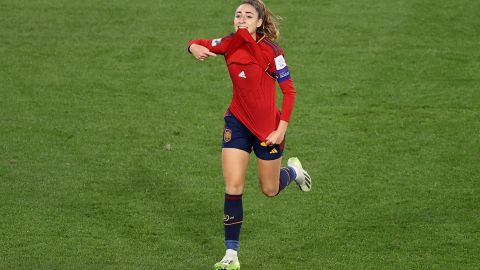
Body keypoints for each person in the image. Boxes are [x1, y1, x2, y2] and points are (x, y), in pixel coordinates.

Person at [187, 1, 311, 269]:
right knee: (233, 186)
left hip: (269, 130)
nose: (241, 19)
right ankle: (231, 254)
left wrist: (281, 130)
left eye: (248, 15)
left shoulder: (272, 52)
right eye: (238, 15)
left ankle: (294, 172)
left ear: (259, 22)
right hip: (237, 122)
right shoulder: (229, 43)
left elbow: (289, 91)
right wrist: (192, 47)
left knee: (269, 189)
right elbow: (199, 42)